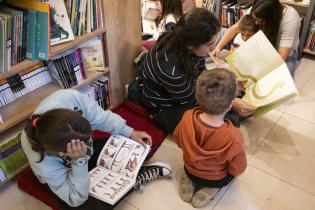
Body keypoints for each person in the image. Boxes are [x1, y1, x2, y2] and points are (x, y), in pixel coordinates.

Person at [21, 89, 172, 210]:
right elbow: (76, 198)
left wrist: (129, 131)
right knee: (82, 205)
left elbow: (100, 117)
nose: (87, 146)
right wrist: (79, 161)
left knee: (131, 146)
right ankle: (133, 180)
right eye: (82, 145)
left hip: (78, 157)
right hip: (66, 173)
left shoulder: (68, 98)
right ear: (62, 153)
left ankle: (128, 178)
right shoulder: (41, 159)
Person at [140, 8, 254, 134]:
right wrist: (230, 102)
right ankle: (227, 114)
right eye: (209, 44)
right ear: (191, 44)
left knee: (229, 92)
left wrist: (230, 84)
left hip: (187, 92)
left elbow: (202, 76)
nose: (213, 48)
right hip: (168, 108)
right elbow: (195, 99)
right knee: (211, 126)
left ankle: (227, 112)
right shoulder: (171, 70)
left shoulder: (188, 45)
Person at [173, 69, 247, 208]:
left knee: (190, 172)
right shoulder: (234, 136)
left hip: (190, 167)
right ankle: (210, 189)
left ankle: (188, 180)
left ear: (197, 96)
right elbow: (238, 168)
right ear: (230, 104)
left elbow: (178, 140)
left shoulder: (187, 117)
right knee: (230, 175)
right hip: (216, 178)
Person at [212, 0, 301, 75]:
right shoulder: (257, 10)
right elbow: (235, 28)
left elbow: (282, 55)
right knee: (219, 32)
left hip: (282, 53)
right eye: (255, 19)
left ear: (271, 18)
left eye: (260, 21)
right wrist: (218, 47)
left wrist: (257, 71)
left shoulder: (290, 18)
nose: (256, 23)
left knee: (282, 81)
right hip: (256, 44)